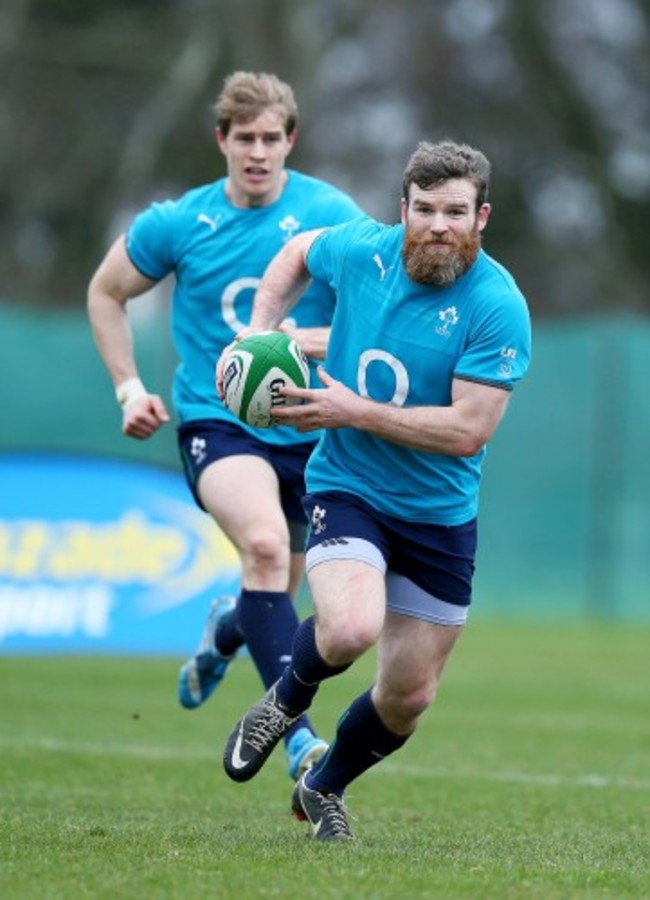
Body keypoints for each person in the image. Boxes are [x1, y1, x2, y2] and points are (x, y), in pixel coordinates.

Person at [218, 140, 532, 840]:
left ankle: (323, 786)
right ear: (403, 210)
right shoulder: (365, 250)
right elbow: (297, 252)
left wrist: (351, 410)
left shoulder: (497, 306)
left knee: (409, 695)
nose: (438, 226)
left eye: (455, 212)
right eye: (425, 210)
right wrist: (259, 332)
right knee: (351, 627)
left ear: (482, 216)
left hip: (439, 515)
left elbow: (467, 431)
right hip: (350, 485)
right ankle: (283, 701)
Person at [87, 71, 364, 781]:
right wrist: (128, 388)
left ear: (291, 142)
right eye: (246, 138)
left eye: (273, 138)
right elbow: (106, 292)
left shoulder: (331, 215)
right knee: (267, 549)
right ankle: (299, 740)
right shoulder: (180, 222)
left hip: (310, 427)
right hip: (219, 420)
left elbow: (374, 318)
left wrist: (305, 344)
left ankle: (226, 630)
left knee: (279, 593)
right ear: (222, 141)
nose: (260, 151)